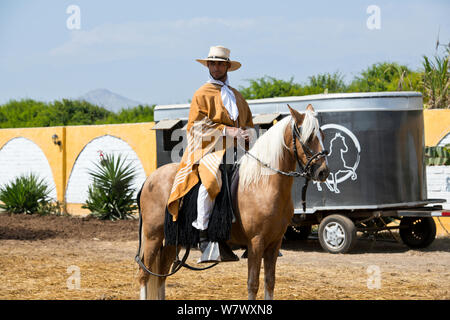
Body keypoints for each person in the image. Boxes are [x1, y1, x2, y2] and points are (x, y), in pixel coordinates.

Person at [166, 45, 254, 260]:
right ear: (208, 66)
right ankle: (203, 233)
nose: (215, 67)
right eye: (212, 63)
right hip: (208, 150)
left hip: (238, 151)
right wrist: (227, 130)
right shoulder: (201, 94)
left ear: (227, 66)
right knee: (210, 181)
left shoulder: (237, 96)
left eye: (219, 63)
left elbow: (249, 124)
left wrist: (247, 134)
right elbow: (196, 126)